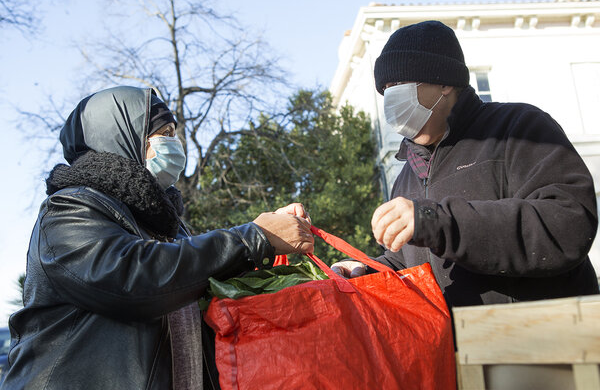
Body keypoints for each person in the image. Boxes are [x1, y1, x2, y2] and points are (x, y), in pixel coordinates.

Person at [331, 20, 599, 389]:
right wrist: (367, 271)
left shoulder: (518, 127)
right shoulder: (406, 176)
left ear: (445, 83)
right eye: (386, 89)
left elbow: (567, 223)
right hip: (457, 358)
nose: (391, 99)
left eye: (401, 86)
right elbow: (408, 259)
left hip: (540, 345)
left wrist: (434, 220)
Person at [2, 86, 314, 390]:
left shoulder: (165, 225)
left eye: (174, 133)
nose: (175, 144)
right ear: (120, 138)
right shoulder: (69, 210)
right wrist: (254, 237)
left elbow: (205, 290)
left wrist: (311, 281)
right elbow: (134, 277)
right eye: (163, 134)